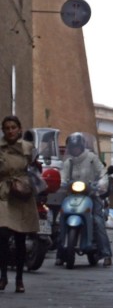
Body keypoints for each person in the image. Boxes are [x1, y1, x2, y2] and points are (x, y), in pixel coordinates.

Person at [55, 132, 113, 267]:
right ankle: (60, 254)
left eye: (77, 147)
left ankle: (106, 254)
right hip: (72, 195)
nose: (75, 149)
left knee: (97, 221)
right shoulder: (68, 162)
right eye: (72, 147)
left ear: (82, 146)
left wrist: (101, 183)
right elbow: (63, 176)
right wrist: (61, 182)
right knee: (60, 218)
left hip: (91, 195)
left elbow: (102, 173)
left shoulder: (92, 158)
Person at [0, 115, 40, 293]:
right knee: (2, 234)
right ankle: (3, 276)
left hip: (22, 193)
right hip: (3, 192)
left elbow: (35, 169)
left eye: (13, 127)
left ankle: (19, 279)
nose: (10, 131)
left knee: (20, 238)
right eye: (7, 128)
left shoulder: (28, 148)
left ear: (19, 129)